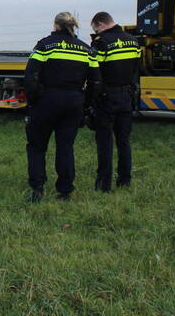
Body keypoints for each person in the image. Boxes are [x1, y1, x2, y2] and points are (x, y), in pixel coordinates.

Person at [24, 12, 101, 202]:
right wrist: (86, 104)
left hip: (46, 102)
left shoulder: (44, 45)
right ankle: (65, 191)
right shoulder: (86, 49)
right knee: (66, 147)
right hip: (74, 102)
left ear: (56, 25)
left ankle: (37, 188)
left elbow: (31, 76)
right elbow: (96, 82)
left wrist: (33, 101)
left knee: (37, 147)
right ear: (72, 26)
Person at [89, 11, 141, 192]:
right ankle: (125, 180)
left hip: (107, 98)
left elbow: (95, 72)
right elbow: (136, 69)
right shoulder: (133, 41)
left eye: (96, 29)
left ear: (101, 24)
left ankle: (104, 185)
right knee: (124, 141)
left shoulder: (101, 42)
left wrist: (91, 99)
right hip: (126, 97)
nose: (96, 33)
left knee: (105, 142)